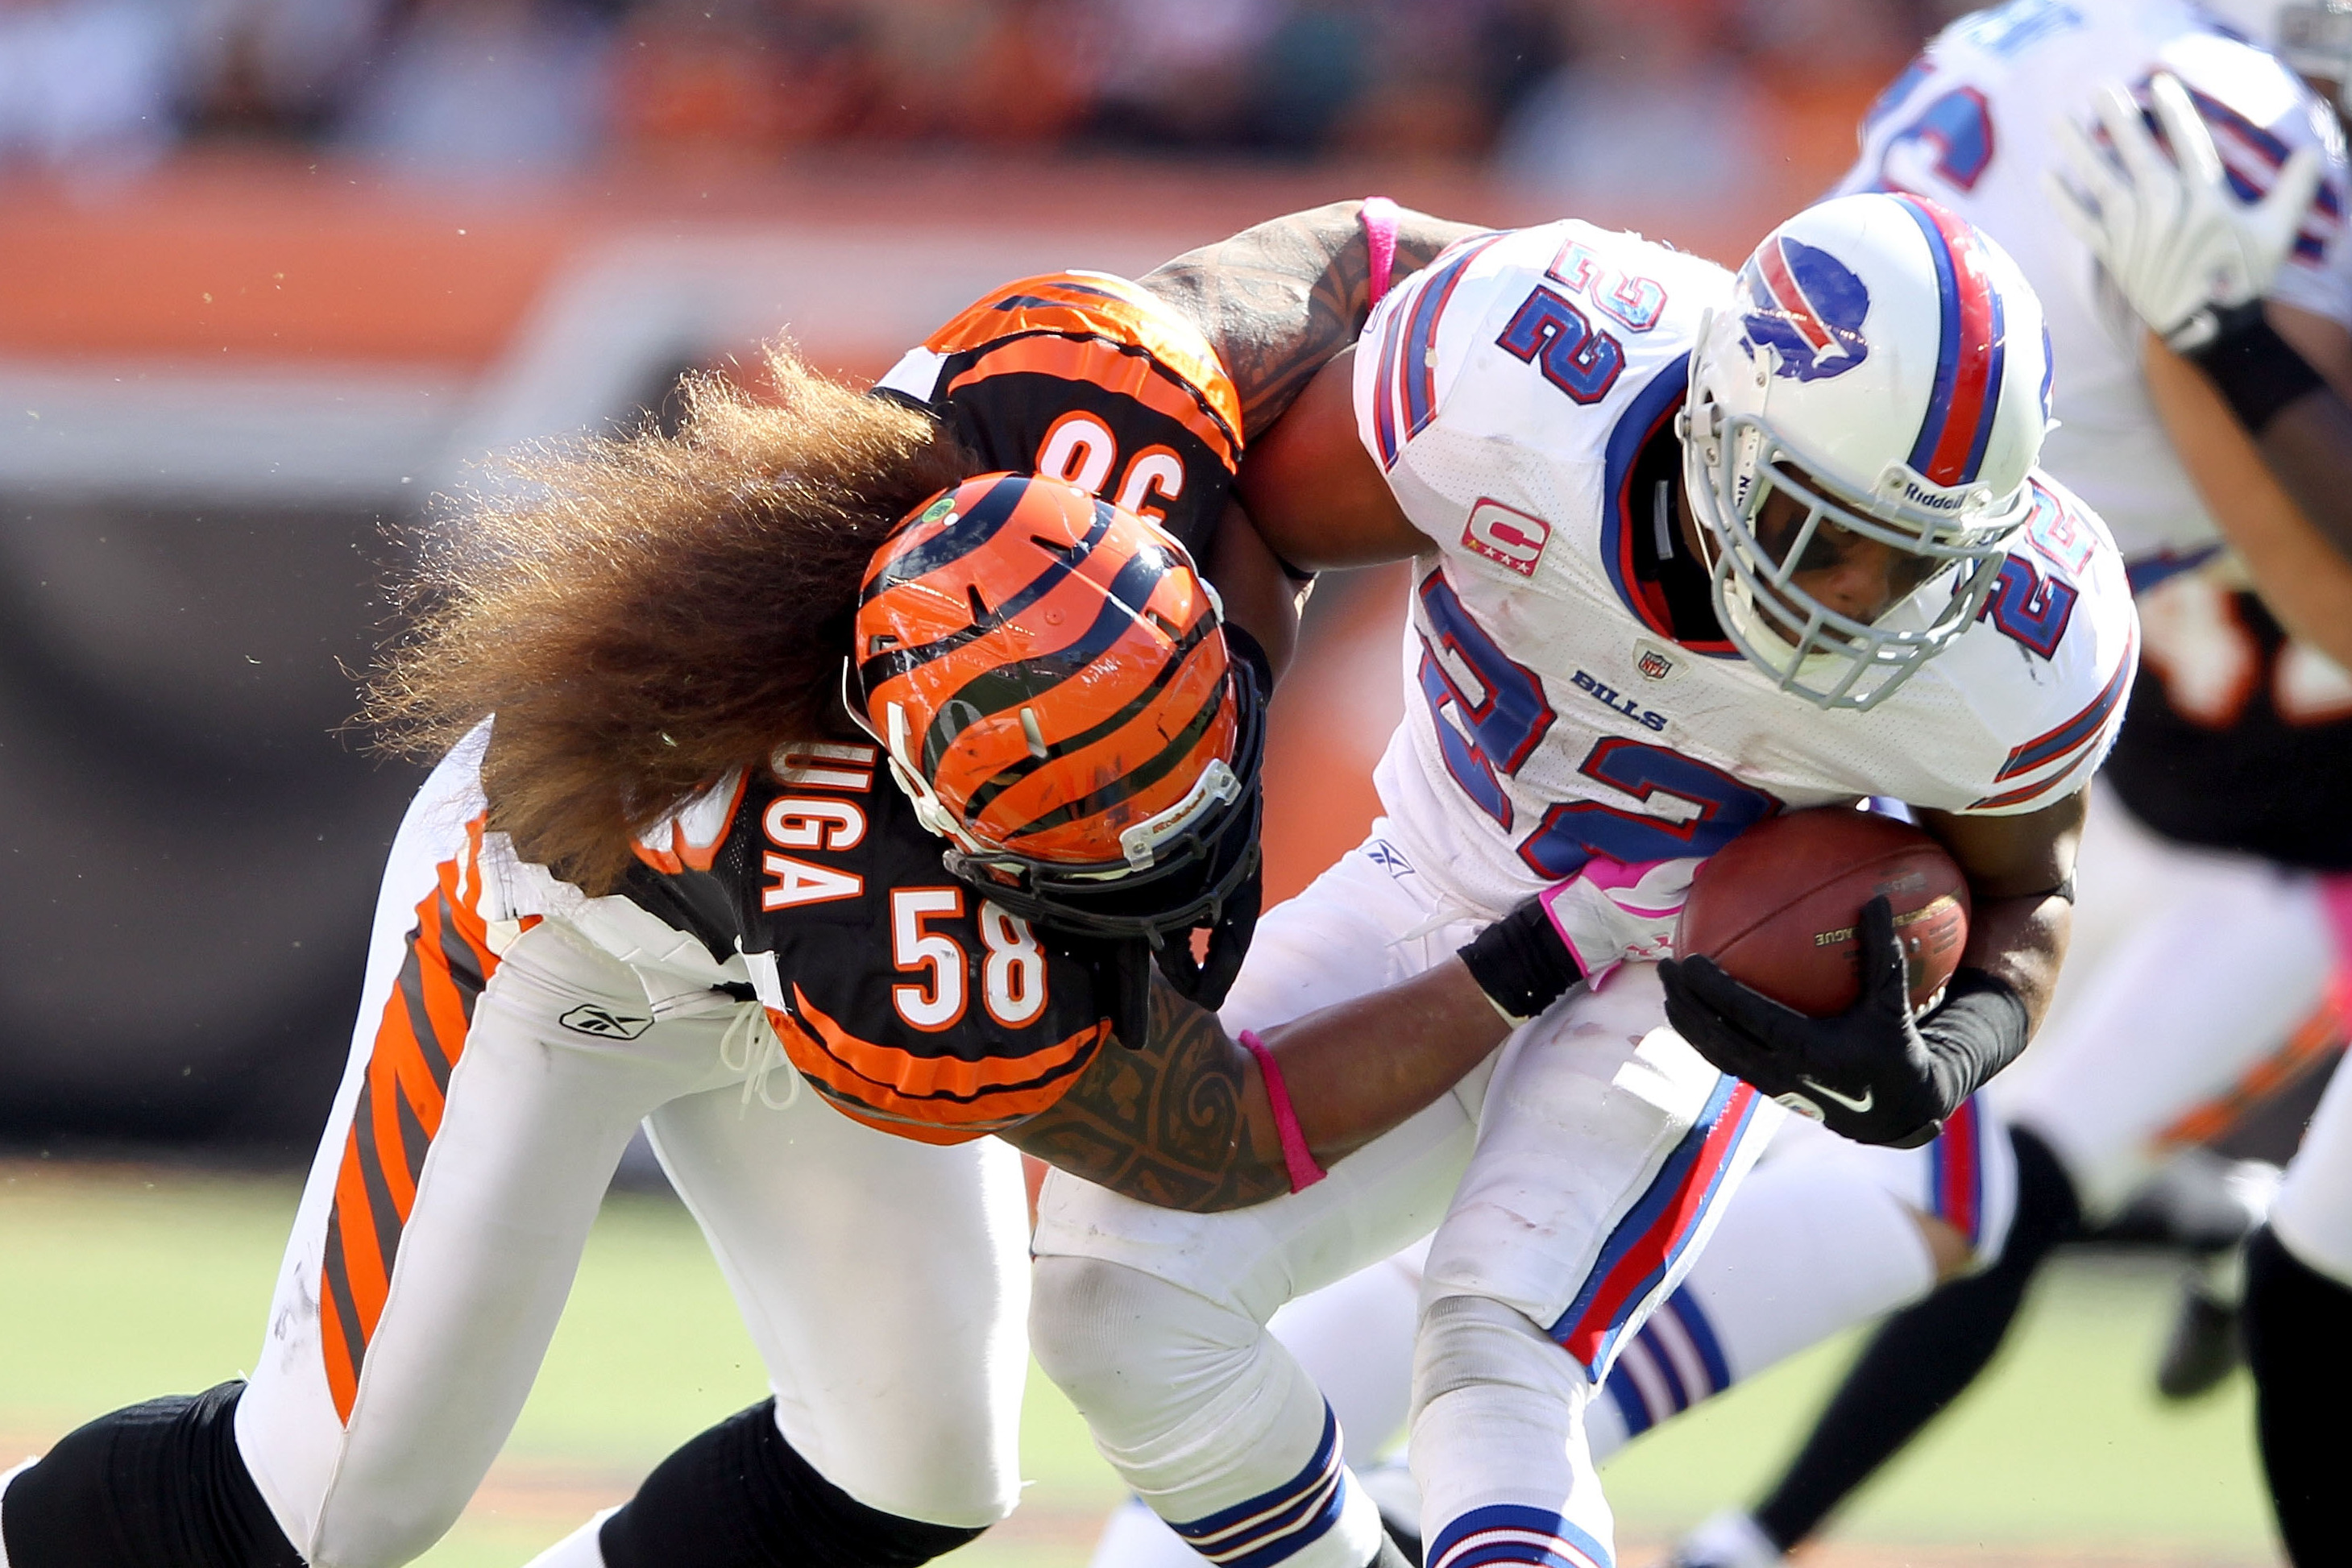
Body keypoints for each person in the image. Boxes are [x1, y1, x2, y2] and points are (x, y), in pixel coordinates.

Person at [0, 206, 1670, 1568]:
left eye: (1176, 782)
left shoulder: (1098, 412)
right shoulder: (900, 933)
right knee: (333, 1503)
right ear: (946, 814)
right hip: (560, 948)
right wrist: (1539, 950)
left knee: (919, 1468)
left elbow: (1362, 257)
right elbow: (1220, 1134)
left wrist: (1629, 359)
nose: (1165, 858)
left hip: (809, 928)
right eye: (1093, 838)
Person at [1027, 186, 2136, 1568]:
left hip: (1687, 982)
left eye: (1917, 559)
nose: (1864, 598)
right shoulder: (1528, 382)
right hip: (1430, 875)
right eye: (1823, 530)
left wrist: (1954, 1052)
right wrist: (1203, 785)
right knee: (1100, 1291)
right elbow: (1262, 528)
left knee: (1501, 1352)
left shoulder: (2027, 633)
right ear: (1723, 435)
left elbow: (2034, 893)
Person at [1657, 5, 2352, 1559]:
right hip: (2135, 801)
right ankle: (2207, 1209)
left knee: (2012, 1172)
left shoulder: (2176, 184)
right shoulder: (2218, 189)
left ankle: (1753, 1533)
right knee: (1946, 1146)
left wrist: (2237, 342)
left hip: (2303, 877)